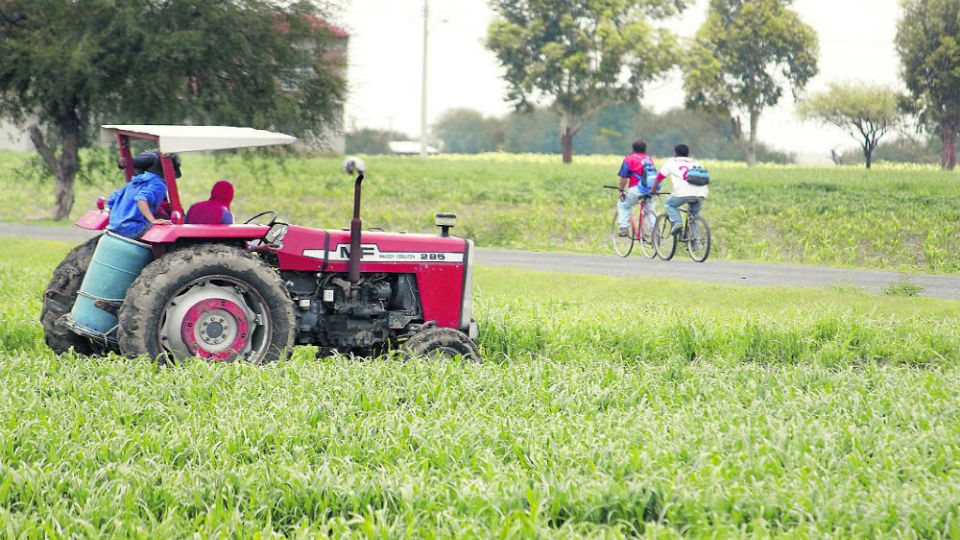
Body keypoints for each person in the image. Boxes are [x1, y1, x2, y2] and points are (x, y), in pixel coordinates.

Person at [106, 151, 178, 239]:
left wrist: (117, 219)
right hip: (132, 230)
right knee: (165, 230)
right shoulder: (159, 184)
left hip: (113, 227)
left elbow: (112, 199)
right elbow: (140, 198)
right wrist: (153, 220)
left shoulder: (136, 179)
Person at [652, 144, 708, 235]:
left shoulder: (672, 162)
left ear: (675, 153)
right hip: (701, 192)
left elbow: (659, 177)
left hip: (683, 192)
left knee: (669, 204)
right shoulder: (696, 162)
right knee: (693, 216)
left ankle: (677, 223)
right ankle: (694, 244)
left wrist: (653, 190)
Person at [616, 139, 658, 237]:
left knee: (623, 204)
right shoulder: (649, 159)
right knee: (649, 210)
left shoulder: (629, 159)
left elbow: (624, 178)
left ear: (633, 149)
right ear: (645, 149)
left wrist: (621, 190)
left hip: (637, 189)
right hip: (651, 189)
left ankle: (623, 227)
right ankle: (655, 232)